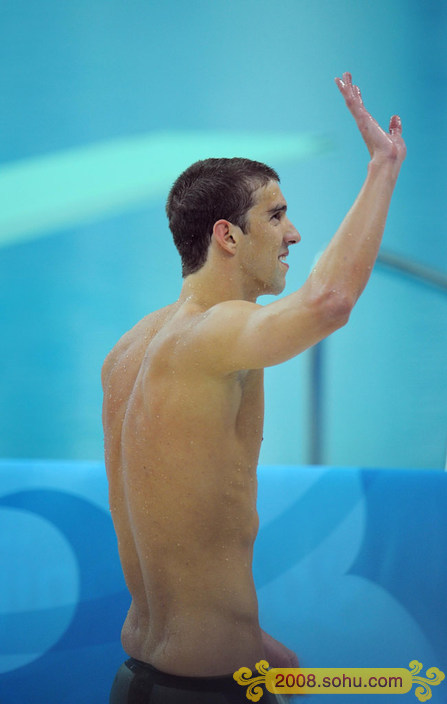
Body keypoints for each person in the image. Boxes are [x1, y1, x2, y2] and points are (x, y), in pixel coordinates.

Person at [102, 72, 406, 703]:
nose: (293, 234)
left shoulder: (129, 351)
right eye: (276, 214)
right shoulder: (213, 337)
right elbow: (329, 301)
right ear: (227, 236)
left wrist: (252, 641)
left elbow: (162, 524)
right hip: (204, 690)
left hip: (139, 678)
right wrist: (383, 167)